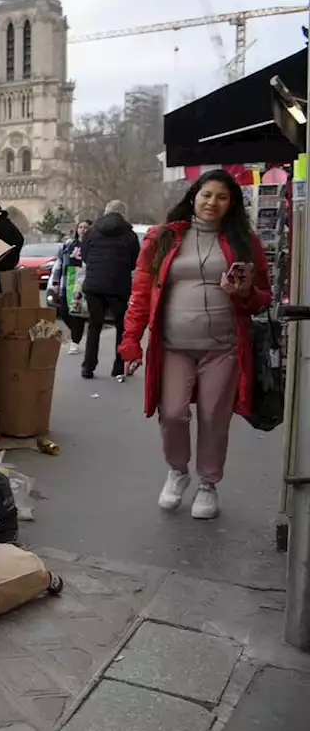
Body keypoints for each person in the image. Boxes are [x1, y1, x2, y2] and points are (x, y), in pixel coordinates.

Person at [120, 170, 271, 520]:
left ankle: (208, 483)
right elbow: (141, 294)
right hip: (173, 345)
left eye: (221, 197)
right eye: (206, 195)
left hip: (224, 347)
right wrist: (130, 342)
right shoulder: (163, 238)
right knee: (172, 413)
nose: (212, 203)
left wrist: (245, 293)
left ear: (231, 204)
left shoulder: (244, 241)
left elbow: (263, 296)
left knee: (213, 417)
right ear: (193, 197)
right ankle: (178, 470)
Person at [79, 200, 142, 379]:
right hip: (118, 286)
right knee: (121, 327)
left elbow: (85, 256)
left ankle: (88, 367)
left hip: (93, 286)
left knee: (94, 326)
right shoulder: (129, 234)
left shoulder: (92, 231)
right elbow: (134, 260)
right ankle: (119, 366)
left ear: (106, 212)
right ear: (123, 214)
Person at [47, 219, 93, 355]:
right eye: (81, 227)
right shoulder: (68, 244)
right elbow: (58, 264)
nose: (83, 230)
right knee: (64, 311)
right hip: (66, 283)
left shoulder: (93, 245)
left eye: (86, 227)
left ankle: (75, 341)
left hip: (81, 285)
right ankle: (75, 333)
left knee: (77, 313)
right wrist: (55, 282)